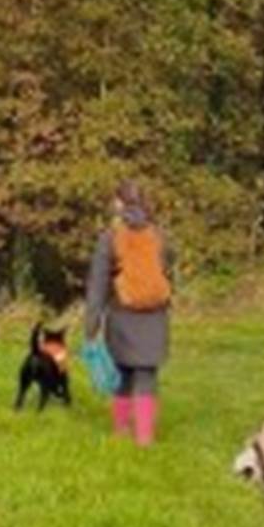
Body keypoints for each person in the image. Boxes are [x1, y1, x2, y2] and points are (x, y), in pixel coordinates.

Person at [84, 180, 172, 447]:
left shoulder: (110, 238)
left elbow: (98, 284)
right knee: (147, 375)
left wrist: (92, 324)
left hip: (122, 314)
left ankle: (121, 431)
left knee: (121, 373)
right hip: (155, 315)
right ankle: (145, 438)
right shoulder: (160, 236)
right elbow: (168, 273)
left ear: (120, 203)